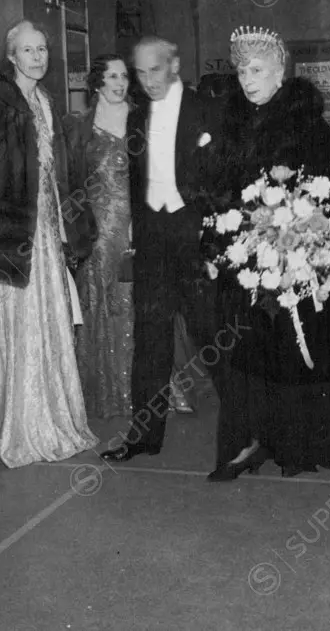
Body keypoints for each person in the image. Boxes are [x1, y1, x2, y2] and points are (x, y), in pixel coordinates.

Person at [203, 25, 330, 481]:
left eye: (257, 70)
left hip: (297, 256)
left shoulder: (306, 123)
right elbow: (218, 190)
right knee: (249, 355)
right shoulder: (232, 123)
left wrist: (303, 234)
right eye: (240, 70)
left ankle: (301, 443)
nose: (247, 79)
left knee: (297, 348)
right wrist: (218, 238)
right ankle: (254, 441)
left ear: (280, 73)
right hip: (247, 257)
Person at [0, 20, 98, 467]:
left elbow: (60, 173)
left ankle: (50, 417)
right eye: (28, 50)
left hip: (44, 234)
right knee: (15, 326)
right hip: (8, 236)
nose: (38, 57)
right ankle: (14, 423)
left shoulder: (46, 101)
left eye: (43, 50)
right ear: (11, 56)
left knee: (48, 322)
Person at [99, 36, 221, 463]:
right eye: (140, 72)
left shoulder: (208, 109)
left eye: (155, 69)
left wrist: (213, 239)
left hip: (195, 240)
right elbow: (136, 181)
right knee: (149, 341)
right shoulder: (137, 119)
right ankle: (143, 437)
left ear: (175, 65)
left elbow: (223, 181)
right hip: (152, 239)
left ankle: (247, 432)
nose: (147, 80)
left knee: (214, 335)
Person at [66, 54, 135, 420]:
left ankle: (139, 387)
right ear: (97, 82)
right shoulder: (79, 125)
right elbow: (71, 179)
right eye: (112, 76)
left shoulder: (141, 119)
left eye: (124, 76)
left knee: (131, 298)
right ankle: (101, 390)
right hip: (96, 227)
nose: (119, 82)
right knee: (97, 298)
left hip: (136, 223)